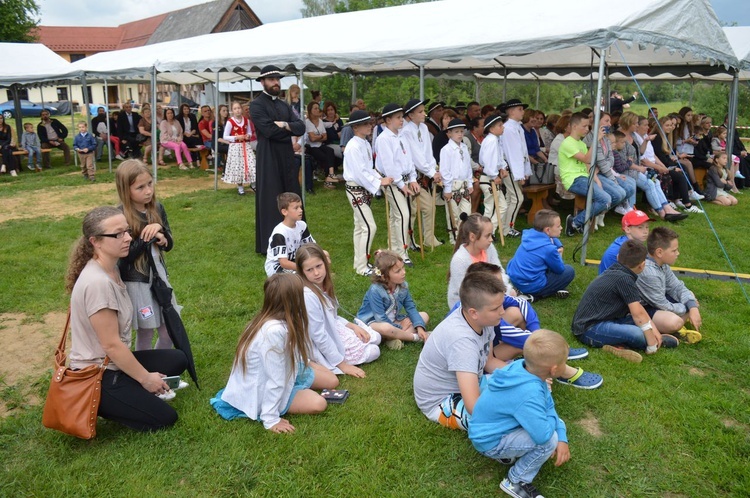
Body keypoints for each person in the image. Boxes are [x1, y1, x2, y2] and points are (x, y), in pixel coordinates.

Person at [66, 206, 187, 431]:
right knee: (165, 417)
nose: (128, 239)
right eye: (118, 234)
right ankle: (110, 400)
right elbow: (111, 344)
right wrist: (145, 379)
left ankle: (129, 389)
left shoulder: (112, 269)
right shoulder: (98, 283)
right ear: (95, 241)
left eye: (127, 231)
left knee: (178, 359)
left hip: (113, 364)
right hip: (98, 375)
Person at [209, 273, 338, 433]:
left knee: (332, 381)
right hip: (266, 386)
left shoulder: (278, 319)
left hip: (289, 370)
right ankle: (286, 398)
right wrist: (271, 419)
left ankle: (300, 385)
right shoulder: (273, 332)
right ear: (293, 301)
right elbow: (275, 379)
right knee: (319, 404)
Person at [459, 262, 600, 389]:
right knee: (526, 344)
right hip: (475, 369)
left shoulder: (482, 306)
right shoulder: (474, 320)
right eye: (497, 285)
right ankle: (562, 369)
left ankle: (542, 360)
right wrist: (544, 345)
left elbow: (521, 302)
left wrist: (537, 333)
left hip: (486, 356)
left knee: (515, 313)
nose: (503, 289)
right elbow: (474, 406)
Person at [468, 330, 571, 498]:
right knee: (549, 441)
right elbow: (543, 436)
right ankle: (516, 480)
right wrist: (558, 436)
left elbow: (548, 403)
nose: (565, 365)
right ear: (553, 369)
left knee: (555, 426)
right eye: (564, 362)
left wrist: (562, 435)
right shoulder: (529, 394)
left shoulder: (524, 366)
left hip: (491, 428)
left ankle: (510, 454)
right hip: (490, 440)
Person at [413, 271, 507, 431]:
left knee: (520, 386)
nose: (503, 312)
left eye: (502, 305)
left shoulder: (484, 320)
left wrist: (525, 376)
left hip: (469, 383)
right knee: (502, 422)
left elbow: (489, 361)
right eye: (495, 308)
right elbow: (474, 407)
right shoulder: (461, 341)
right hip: (442, 400)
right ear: (473, 312)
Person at [572, 240, 677, 362]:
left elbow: (639, 310)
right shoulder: (625, 280)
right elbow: (638, 316)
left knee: (643, 323)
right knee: (637, 334)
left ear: (618, 257)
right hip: (589, 329)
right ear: (642, 265)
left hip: (606, 318)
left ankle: (651, 337)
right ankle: (622, 345)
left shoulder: (616, 270)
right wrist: (651, 345)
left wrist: (654, 330)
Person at [115, 160, 179, 352]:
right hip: (137, 282)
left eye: (150, 184)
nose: (148, 191)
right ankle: (146, 377)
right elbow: (124, 255)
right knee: (146, 331)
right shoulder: (119, 215)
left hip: (159, 278)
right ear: (126, 190)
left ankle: (162, 371)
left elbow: (169, 244)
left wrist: (161, 231)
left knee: (169, 329)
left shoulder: (157, 208)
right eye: (140, 187)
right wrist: (149, 235)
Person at [297, 244, 381, 376]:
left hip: (333, 328)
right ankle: (340, 358)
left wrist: (353, 326)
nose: (316, 273)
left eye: (319, 266)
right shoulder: (308, 296)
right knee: (374, 351)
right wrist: (342, 365)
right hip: (320, 338)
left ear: (325, 263)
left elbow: (333, 317)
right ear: (302, 272)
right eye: (309, 270)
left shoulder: (323, 285)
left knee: (376, 337)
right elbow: (318, 335)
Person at [251, 65, 306, 255]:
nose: (276, 82)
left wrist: (283, 124)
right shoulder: (256, 105)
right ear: (263, 82)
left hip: (287, 157)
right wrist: (288, 130)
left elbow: (301, 127)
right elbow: (268, 130)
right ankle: (272, 244)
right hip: (268, 158)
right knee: (271, 197)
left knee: (292, 194)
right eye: (272, 79)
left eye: (277, 79)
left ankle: (297, 239)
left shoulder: (284, 105)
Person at [342, 110, 393, 276]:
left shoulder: (363, 143)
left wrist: (380, 177)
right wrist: (378, 182)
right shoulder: (352, 147)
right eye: (366, 124)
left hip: (361, 189)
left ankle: (359, 263)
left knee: (360, 226)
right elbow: (359, 173)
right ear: (356, 127)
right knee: (369, 226)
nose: (370, 126)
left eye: (370, 123)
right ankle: (363, 267)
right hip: (355, 189)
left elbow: (368, 169)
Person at [636, 227, 703, 342]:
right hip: (643, 308)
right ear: (659, 252)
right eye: (674, 250)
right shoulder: (649, 273)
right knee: (674, 322)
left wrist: (692, 307)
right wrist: (689, 307)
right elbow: (661, 304)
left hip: (656, 300)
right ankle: (671, 329)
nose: (678, 253)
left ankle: (678, 323)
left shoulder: (662, 263)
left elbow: (677, 287)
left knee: (690, 296)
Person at [356, 249, 430, 350]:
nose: (404, 272)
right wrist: (399, 327)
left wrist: (420, 327)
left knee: (424, 316)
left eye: (403, 268)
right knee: (386, 328)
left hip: (394, 320)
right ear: (384, 277)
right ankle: (415, 337)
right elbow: (380, 318)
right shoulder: (375, 290)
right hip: (374, 323)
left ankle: (393, 338)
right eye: (398, 271)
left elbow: (410, 307)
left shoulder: (403, 286)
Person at [375, 103, 419, 266]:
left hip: (406, 180)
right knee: (402, 215)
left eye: (402, 116)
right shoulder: (383, 139)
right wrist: (401, 184)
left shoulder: (402, 136)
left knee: (397, 216)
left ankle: (394, 249)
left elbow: (409, 160)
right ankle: (401, 253)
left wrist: (413, 178)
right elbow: (389, 166)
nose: (402, 120)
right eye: (398, 117)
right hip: (393, 182)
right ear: (388, 120)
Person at [401, 98, 444, 249]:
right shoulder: (406, 132)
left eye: (423, 111)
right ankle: (408, 241)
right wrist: (431, 172)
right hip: (410, 176)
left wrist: (434, 170)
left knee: (429, 207)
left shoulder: (424, 128)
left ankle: (429, 238)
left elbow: (427, 152)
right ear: (411, 115)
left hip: (423, 175)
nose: (424, 114)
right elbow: (416, 156)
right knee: (411, 211)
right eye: (420, 112)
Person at [560, 112, 611, 236]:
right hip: (573, 180)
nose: (587, 129)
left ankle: (579, 221)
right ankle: (575, 222)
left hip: (584, 178)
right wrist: (595, 141)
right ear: (574, 126)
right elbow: (587, 159)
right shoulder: (567, 143)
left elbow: (588, 166)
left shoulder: (581, 144)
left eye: (588, 126)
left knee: (608, 198)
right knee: (605, 200)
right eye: (584, 126)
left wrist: (596, 180)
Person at [447, 213, 513, 309]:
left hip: (491, 295)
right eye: (487, 236)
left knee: (513, 297)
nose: (491, 240)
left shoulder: (489, 248)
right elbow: (466, 294)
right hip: (469, 306)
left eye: (491, 235)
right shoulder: (459, 260)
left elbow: (500, 272)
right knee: (514, 314)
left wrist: (504, 290)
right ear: (472, 237)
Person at [507, 209, 575, 301]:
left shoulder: (529, 234)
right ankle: (533, 296)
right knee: (569, 271)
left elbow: (551, 238)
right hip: (531, 284)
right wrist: (559, 254)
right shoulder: (549, 249)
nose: (561, 228)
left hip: (515, 279)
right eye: (558, 226)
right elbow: (559, 269)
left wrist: (559, 245)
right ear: (547, 229)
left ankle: (521, 290)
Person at [264, 192, 318, 276]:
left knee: (323, 257)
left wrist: (323, 255)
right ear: (285, 212)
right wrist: (305, 267)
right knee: (300, 276)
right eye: (296, 208)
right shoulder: (279, 233)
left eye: (300, 207)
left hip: (294, 261)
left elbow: (312, 246)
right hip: (276, 267)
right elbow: (283, 263)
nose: (300, 210)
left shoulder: (302, 225)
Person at [500, 99, 532, 238]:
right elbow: (513, 153)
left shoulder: (516, 127)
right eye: (520, 109)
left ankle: (503, 226)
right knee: (517, 198)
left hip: (515, 167)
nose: (523, 112)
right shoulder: (509, 128)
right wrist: (520, 175)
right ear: (511, 111)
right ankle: (508, 228)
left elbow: (522, 151)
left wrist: (525, 170)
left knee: (510, 198)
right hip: (511, 168)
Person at [440, 118, 474, 243]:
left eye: (461, 131)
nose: (460, 134)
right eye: (456, 132)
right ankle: (453, 237)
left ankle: (463, 234)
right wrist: (447, 188)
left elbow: (468, 166)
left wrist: (470, 182)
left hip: (464, 183)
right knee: (453, 212)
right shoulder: (446, 150)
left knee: (466, 212)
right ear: (449, 133)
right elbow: (445, 170)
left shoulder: (464, 147)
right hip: (453, 185)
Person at [478, 114, 508, 235]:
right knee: (491, 208)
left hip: (491, 176)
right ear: (491, 129)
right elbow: (489, 161)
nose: (503, 127)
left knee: (501, 206)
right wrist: (494, 175)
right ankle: (485, 232)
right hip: (488, 178)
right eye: (500, 125)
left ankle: (491, 230)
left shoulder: (495, 140)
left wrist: (502, 167)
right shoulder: (491, 141)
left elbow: (498, 158)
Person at [599, 209, 652, 273]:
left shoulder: (629, 243)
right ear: (627, 229)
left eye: (647, 227)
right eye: (640, 227)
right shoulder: (628, 249)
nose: (645, 231)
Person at [222, 101, 256, 195]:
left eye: (239, 108)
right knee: (238, 166)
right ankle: (240, 187)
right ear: (232, 111)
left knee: (251, 163)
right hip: (236, 147)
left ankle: (253, 184)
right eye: (235, 109)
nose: (237, 110)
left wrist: (248, 136)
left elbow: (249, 132)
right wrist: (236, 137)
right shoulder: (230, 122)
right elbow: (225, 136)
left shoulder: (246, 120)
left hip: (246, 145)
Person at [305, 101, 339, 188]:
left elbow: (325, 137)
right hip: (311, 147)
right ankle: (328, 181)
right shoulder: (307, 122)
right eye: (315, 108)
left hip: (320, 145)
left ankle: (330, 175)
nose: (317, 110)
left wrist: (317, 136)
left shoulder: (320, 121)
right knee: (324, 157)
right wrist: (320, 136)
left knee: (330, 151)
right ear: (310, 110)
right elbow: (312, 139)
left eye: (318, 108)